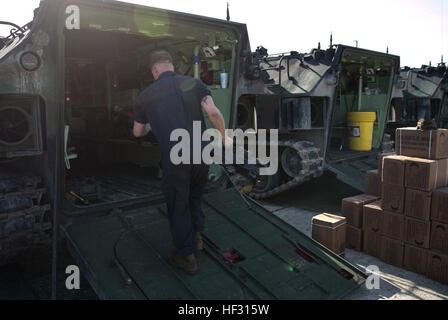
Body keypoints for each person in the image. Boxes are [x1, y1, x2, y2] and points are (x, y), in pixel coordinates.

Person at [133, 50, 232, 275]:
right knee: (195, 196)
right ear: (171, 66)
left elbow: (138, 132)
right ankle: (197, 238)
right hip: (203, 153)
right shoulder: (194, 83)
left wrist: (151, 123)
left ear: (154, 70)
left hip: (176, 157)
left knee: (178, 205)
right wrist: (224, 137)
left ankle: (186, 257)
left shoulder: (145, 96)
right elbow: (213, 112)